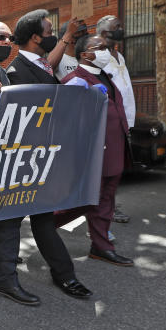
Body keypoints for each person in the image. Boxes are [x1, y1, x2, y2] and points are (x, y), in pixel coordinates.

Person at [0, 11, 94, 304]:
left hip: (26, 160)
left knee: (16, 222)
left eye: (9, 37)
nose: (6, 42)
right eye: (0, 37)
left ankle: (21, 278)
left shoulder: (7, 72)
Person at [55, 34, 134, 266]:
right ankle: (45, 224)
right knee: (87, 199)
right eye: (99, 47)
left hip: (114, 149)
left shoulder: (107, 76)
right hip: (92, 153)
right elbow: (65, 121)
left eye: (107, 47)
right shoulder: (75, 79)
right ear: (84, 54)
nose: (105, 51)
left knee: (105, 200)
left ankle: (101, 247)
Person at [96, 15, 136, 225]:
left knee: (117, 168)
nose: (121, 29)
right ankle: (106, 208)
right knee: (108, 169)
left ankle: (108, 205)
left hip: (123, 121)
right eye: (116, 27)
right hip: (108, 122)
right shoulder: (99, 56)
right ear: (104, 34)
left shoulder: (118, 55)